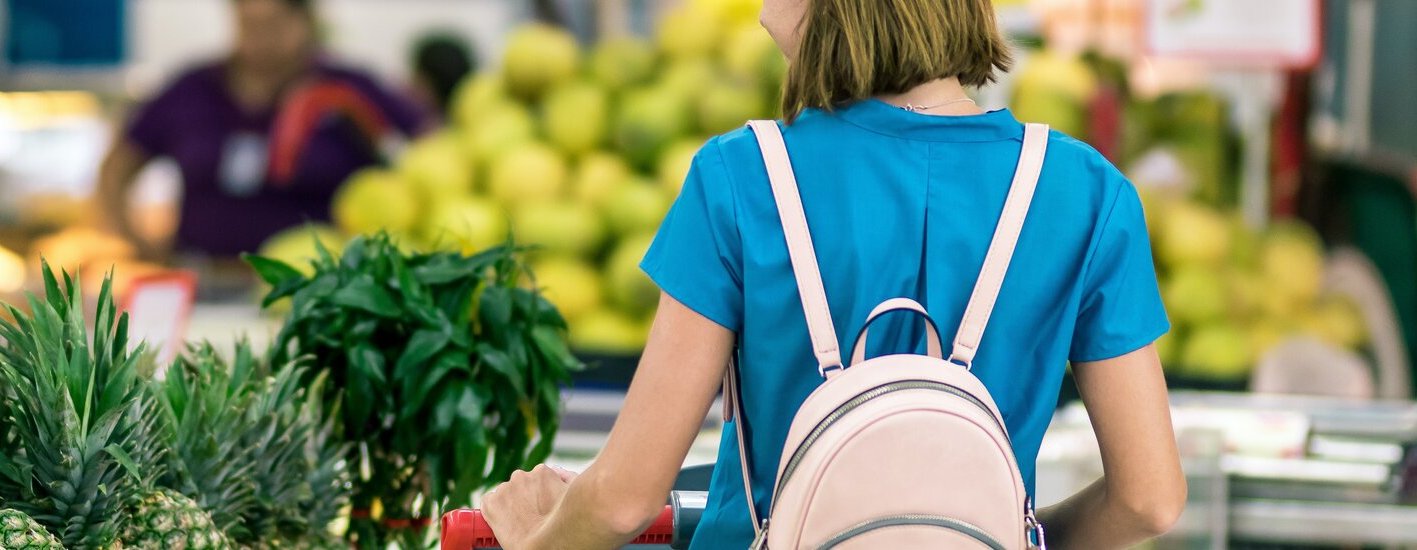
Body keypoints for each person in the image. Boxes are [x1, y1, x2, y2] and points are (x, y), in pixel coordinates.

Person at [478, 0, 1188, 549]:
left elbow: (622, 499)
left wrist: (536, 539)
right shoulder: (1086, 193)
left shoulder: (743, 179)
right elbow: (1149, 500)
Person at [96, 0, 428, 261]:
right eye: (248, 24)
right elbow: (117, 168)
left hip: (321, 290)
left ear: (307, 21)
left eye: (273, 24)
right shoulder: (192, 89)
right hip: (206, 280)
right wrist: (137, 243)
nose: (260, 39)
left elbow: (429, 148)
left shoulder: (348, 90)